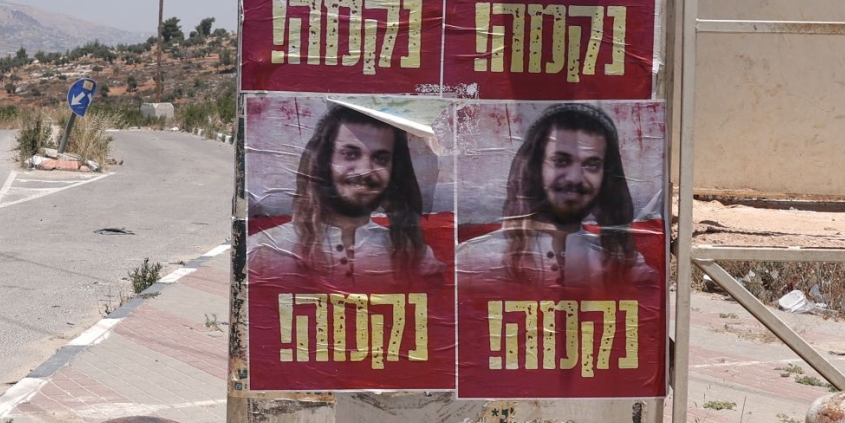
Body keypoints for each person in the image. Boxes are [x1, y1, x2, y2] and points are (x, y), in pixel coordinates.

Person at [454, 103, 651, 292]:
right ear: (534, 168)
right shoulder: (473, 262)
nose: (575, 177)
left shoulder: (626, 267)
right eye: (560, 161)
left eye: (591, 165)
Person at [245, 103, 438, 280]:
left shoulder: (416, 257)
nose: (365, 170)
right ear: (323, 161)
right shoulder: (264, 252)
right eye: (350, 154)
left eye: (381, 159)